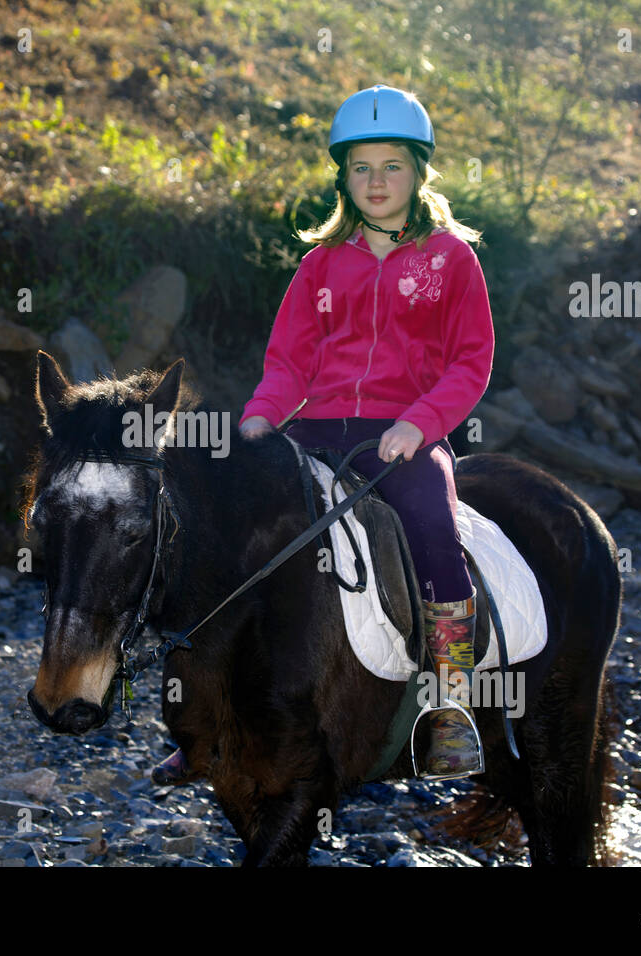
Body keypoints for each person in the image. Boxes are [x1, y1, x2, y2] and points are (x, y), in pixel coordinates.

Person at [153, 84, 494, 786]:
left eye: (392, 165)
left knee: (433, 521)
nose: (376, 181)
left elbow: (471, 363)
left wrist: (420, 424)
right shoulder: (319, 266)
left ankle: (451, 707)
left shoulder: (451, 260)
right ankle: (207, 716)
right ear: (342, 173)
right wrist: (259, 417)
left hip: (401, 437)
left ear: (419, 172)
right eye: (361, 166)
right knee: (231, 536)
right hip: (312, 432)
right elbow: (288, 363)